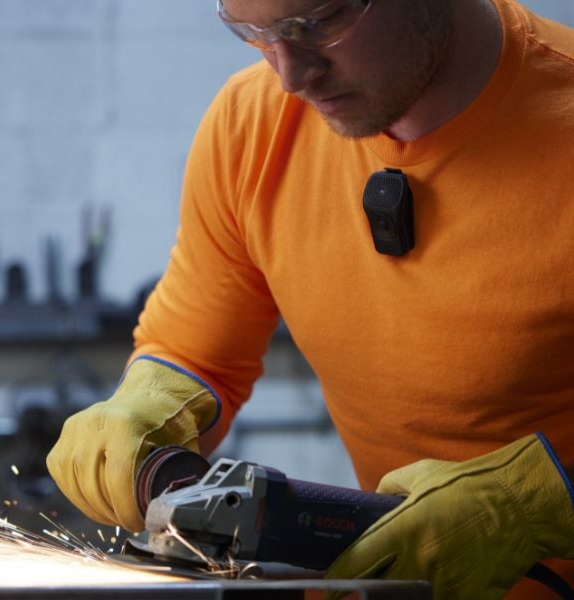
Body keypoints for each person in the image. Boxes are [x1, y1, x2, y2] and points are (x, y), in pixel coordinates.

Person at [47, 0, 574, 597]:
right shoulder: (252, 127)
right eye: (254, 33)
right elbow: (198, 355)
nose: (290, 75)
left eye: (319, 22)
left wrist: (541, 505)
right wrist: (148, 402)